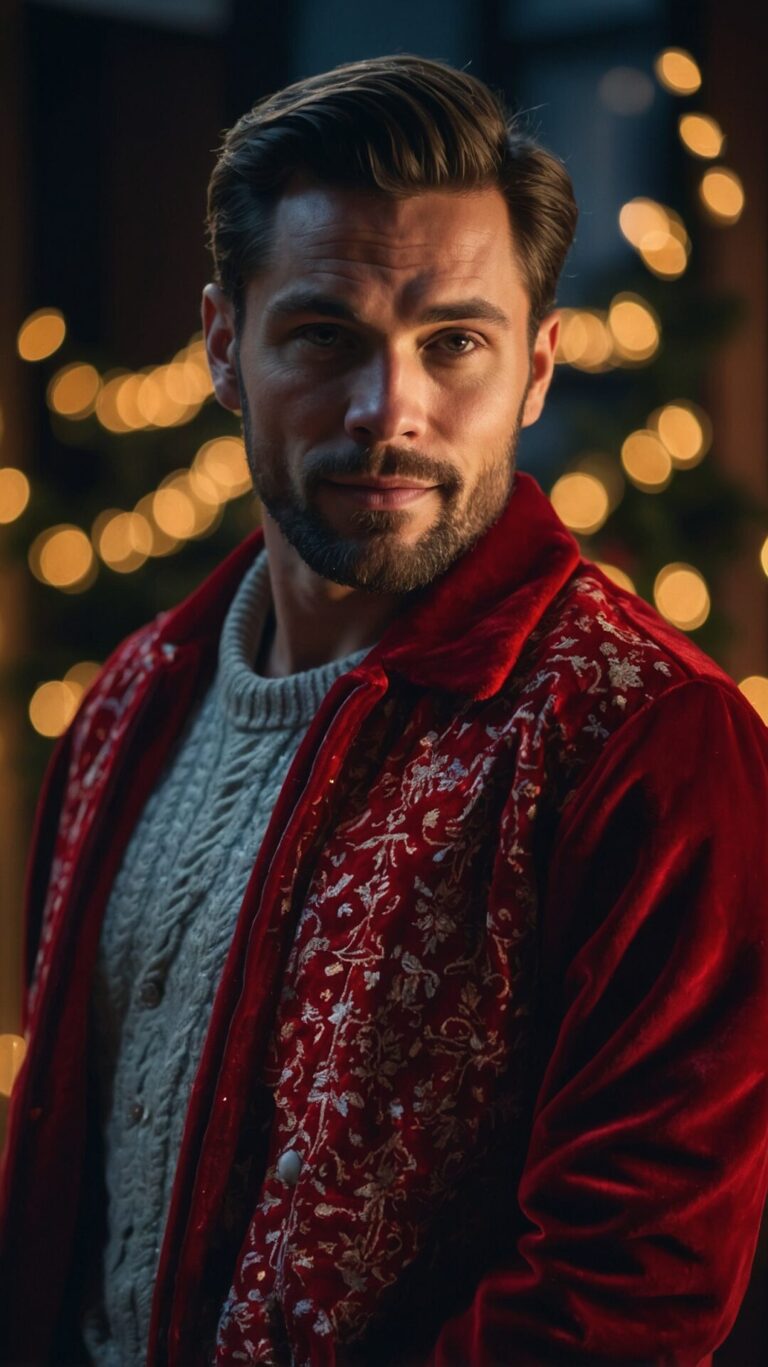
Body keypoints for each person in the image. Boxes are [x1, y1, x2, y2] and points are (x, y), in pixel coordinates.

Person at [1, 54, 767, 1367]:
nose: (387, 412)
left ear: (537, 367)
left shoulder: (645, 739)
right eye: (324, 335)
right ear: (223, 348)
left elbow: (622, 1302)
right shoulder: (123, 706)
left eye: (454, 343)